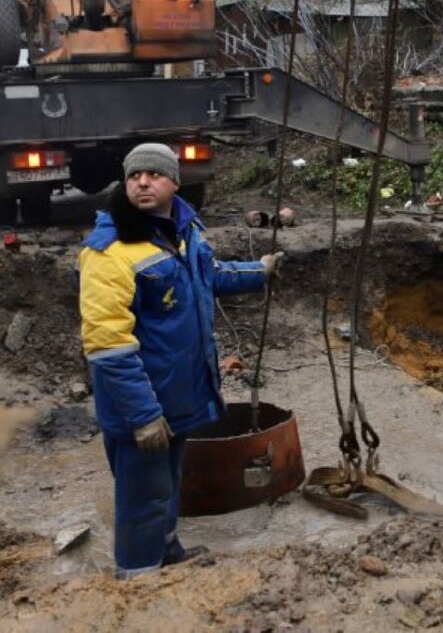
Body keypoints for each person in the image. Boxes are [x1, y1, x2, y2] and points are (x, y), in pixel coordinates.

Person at [78, 143, 281, 577]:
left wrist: (258, 271)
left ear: (174, 181)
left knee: (166, 484)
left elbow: (208, 277)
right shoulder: (109, 251)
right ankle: (138, 578)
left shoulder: (183, 231)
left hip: (178, 394)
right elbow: (107, 346)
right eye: (134, 176)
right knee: (141, 496)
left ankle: (167, 553)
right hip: (144, 405)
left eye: (153, 174)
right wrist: (143, 415)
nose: (143, 182)